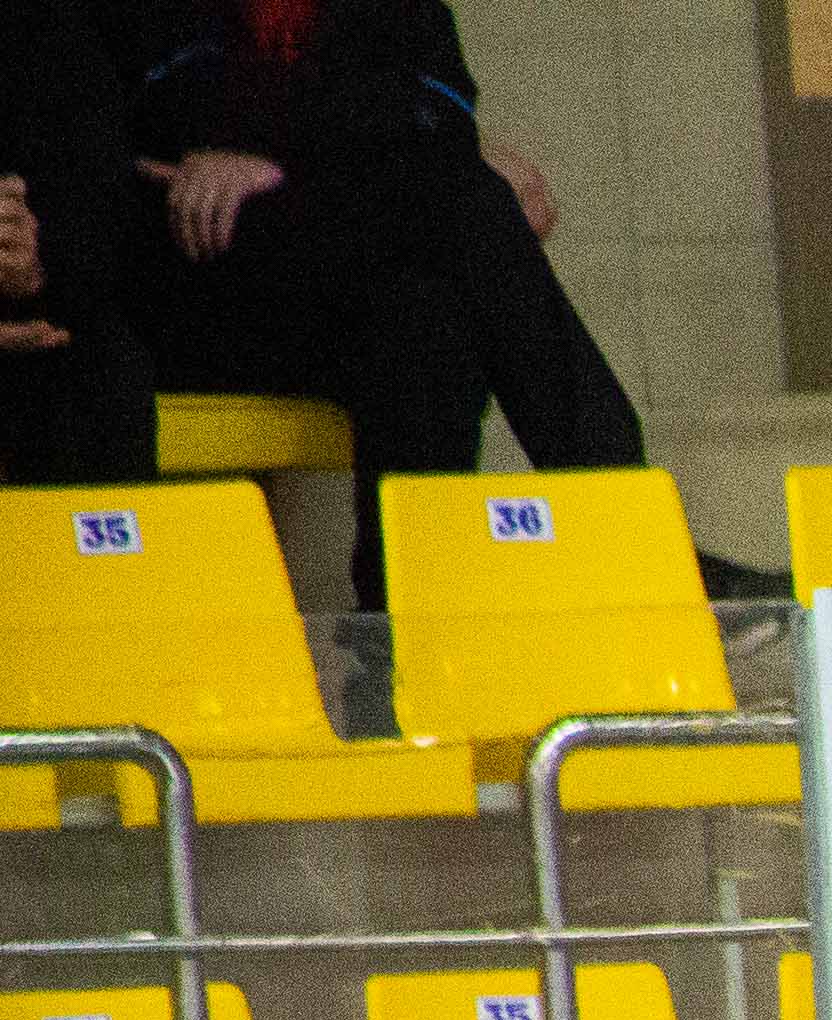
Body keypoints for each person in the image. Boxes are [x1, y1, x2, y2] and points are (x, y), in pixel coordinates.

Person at [96, 0, 659, 614]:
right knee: (468, 204)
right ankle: (625, 526)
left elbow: (438, 117)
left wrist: (285, 162)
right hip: (189, 285)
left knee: (427, 307)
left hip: (350, 280)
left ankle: (406, 624)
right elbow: (85, 141)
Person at [2, 0, 159, 485]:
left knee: (99, 367)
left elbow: (95, 209)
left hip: (33, 328)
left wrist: (33, 262)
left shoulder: (44, 30)